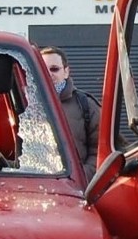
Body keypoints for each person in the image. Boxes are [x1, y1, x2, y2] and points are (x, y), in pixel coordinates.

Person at [41, 46, 101, 183]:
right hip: (37, 190)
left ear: (66, 72)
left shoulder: (86, 105)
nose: (49, 74)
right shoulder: (26, 105)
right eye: (44, 70)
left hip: (75, 192)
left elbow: (100, 151)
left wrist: (80, 178)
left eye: (54, 69)